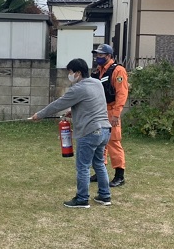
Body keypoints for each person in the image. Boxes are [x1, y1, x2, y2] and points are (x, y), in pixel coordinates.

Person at [30, 58, 112, 208]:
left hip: (90, 132)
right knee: (99, 163)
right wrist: (72, 111)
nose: (69, 75)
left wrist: (39, 115)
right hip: (105, 130)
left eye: (70, 72)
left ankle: (82, 199)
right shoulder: (97, 83)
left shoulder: (78, 89)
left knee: (83, 167)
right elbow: (91, 103)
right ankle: (105, 196)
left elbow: (58, 104)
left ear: (78, 73)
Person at [90, 44, 129, 187]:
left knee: (113, 142)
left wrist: (116, 115)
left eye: (101, 55)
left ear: (109, 56)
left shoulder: (118, 70)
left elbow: (122, 94)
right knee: (99, 142)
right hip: (99, 111)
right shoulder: (97, 71)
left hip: (112, 110)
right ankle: (100, 172)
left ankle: (120, 175)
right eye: (97, 55)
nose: (98, 57)